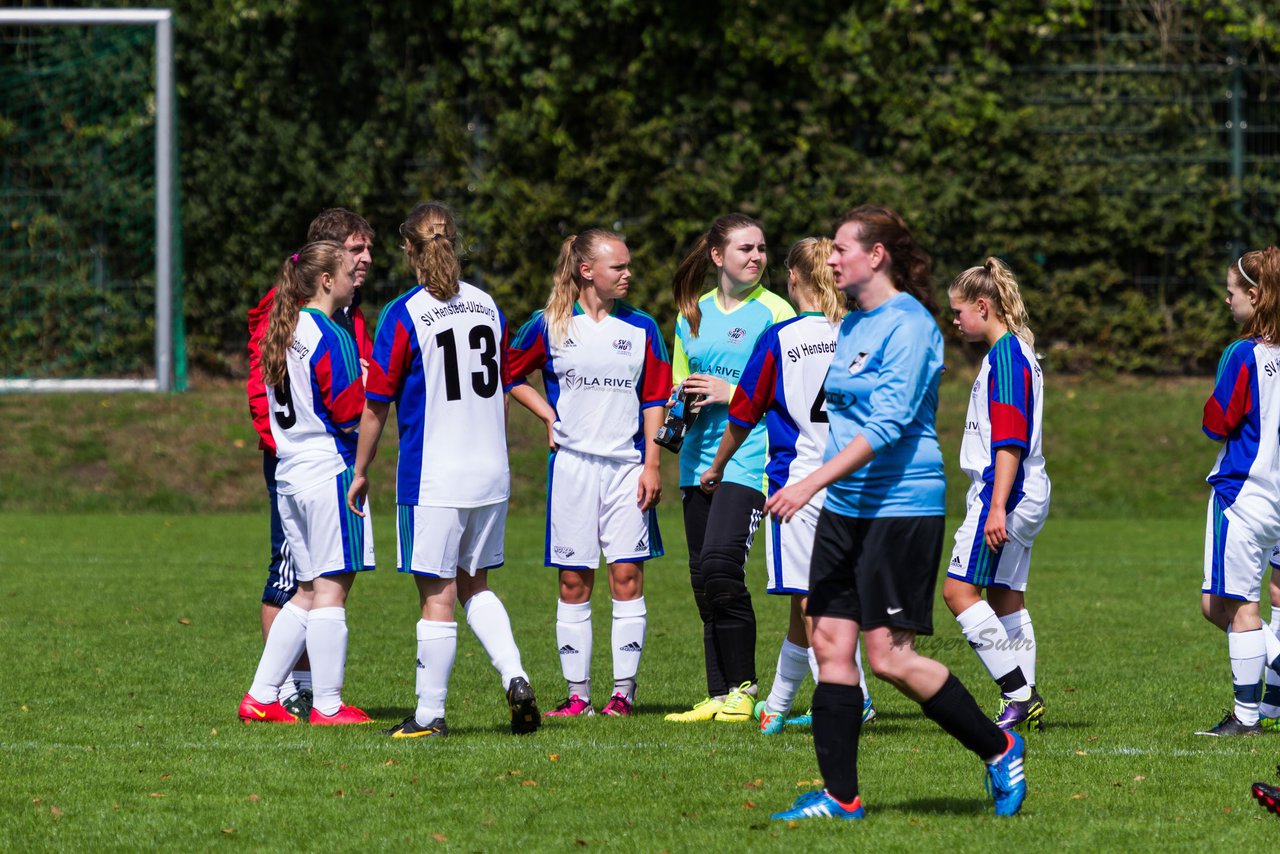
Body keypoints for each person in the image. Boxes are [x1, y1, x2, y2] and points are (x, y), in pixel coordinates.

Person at [766, 206, 1026, 821]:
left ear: (876, 255)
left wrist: (808, 485)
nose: (831, 260)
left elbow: (887, 424)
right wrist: (823, 489)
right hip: (846, 508)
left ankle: (999, 745)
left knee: (886, 658)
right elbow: (842, 419)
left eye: (841, 249)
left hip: (900, 508)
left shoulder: (911, 327)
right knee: (830, 641)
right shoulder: (852, 324)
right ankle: (841, 797)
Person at [347, 202, 540, 738]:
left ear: (408, 248)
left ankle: (429, 716)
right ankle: (517, 677)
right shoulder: (486, 304)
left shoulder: (404, 312)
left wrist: (362, 468)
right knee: (475, 585)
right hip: (490, 473)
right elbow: (504, 384)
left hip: (434, 477)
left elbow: (376, 403)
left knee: (437, 595)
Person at [699, 237, 874, 734]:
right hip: (854, 480)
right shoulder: (860, 331)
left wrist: (717, 465)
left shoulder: (781, 337)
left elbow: (744, 410)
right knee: (811, 596)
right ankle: (776, 705)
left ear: (793, 278)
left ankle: (851, 698)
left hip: (798, 486)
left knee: (811, 600)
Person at [507, 230, 672, 717]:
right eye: (617, 267)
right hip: (573, 471)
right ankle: (577, 696)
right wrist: (547, 416)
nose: (628, 274)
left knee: (626, 577)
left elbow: (655, 397)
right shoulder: (549, 324)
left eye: (627, 265)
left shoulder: (642, 327)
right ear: (586, 271)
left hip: (627, 470)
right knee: (573, 583)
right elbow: (510, 374)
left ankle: (622, 694)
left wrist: (652, 463)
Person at [663, 213, 795, 723]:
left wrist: (732, 394)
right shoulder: (690, 313)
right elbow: (679, 380)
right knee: (702, 579)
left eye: (761, 248)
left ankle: (745, 688)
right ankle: (718, 693)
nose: (757, 257)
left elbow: (791, 389)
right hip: (696, 460)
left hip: (749, 459)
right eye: (745, 249)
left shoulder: (776, 312)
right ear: (718, 256)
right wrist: (683, 399)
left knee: (721, 566)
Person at [238, 240, 374, 725]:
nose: (353, 276)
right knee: (332, 588)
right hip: (328, 471)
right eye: (345, 269)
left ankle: (260, 696)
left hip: (291, 473)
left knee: (307, 590)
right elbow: (346, 412)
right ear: (325, 280)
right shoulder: (332, 334)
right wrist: (367, 388)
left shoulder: (284, 326)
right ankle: (328, 705)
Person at [940, 258, 1051, 732]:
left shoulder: (1006, 356)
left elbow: (1010, 438)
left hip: (1004, 489)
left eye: (959, 310)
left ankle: (1019, 694)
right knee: (1007, 596)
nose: (955, 320)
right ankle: (1024, 700)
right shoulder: (1018, 351)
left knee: (958, 592)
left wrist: (998, 505)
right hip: (1026, 487)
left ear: (983, 306)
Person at [1197, 247, 1280, 737]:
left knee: (1232, 607)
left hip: (1244, 495)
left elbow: (1218, 421)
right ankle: (1267, 708)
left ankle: (1246, 718)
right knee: (1248, 603)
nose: (1227, 301)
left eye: (1231, 293)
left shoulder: (1242, 353)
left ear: (1253, 294)